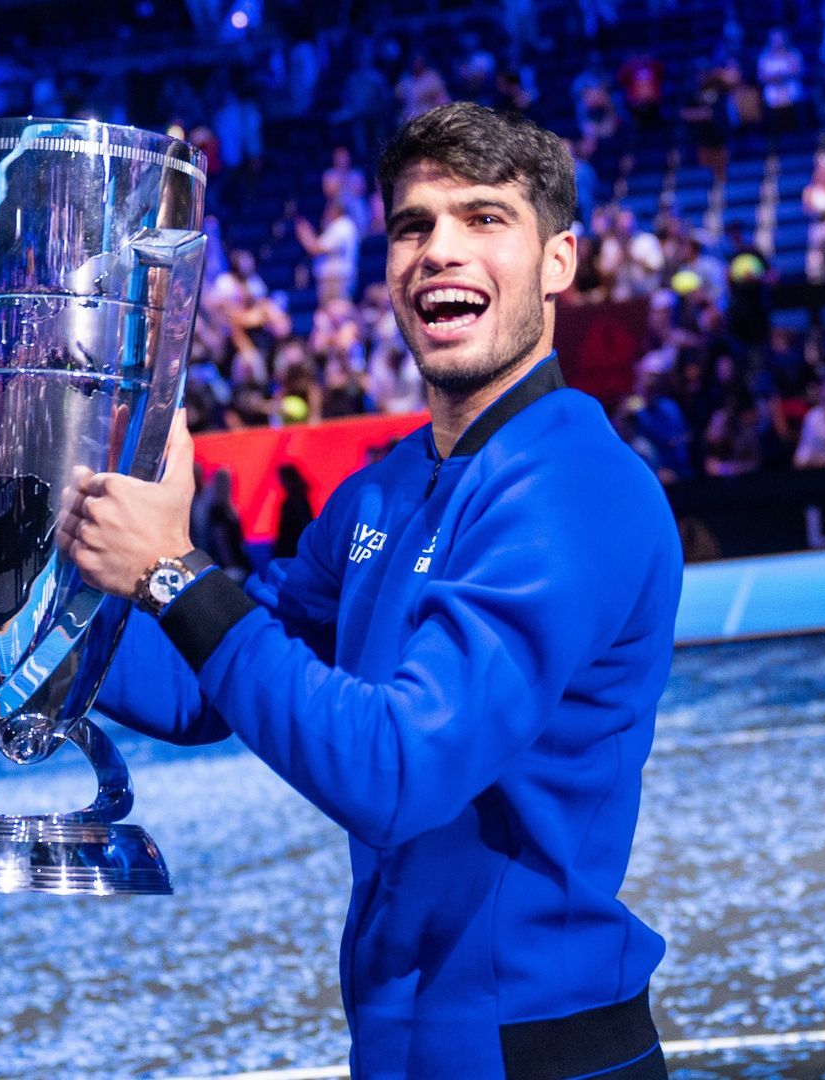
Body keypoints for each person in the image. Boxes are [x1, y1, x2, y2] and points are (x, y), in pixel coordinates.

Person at [62, 102, 680, 1077]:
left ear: (560, 260)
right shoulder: (385, 486)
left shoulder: (577, 484)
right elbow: (201, 683)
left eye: (483, 219)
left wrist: (171, 573)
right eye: (412, 225)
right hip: (401, 1045)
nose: (438, 249)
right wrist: (23, 597)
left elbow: (397, 776)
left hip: (537, 1052)